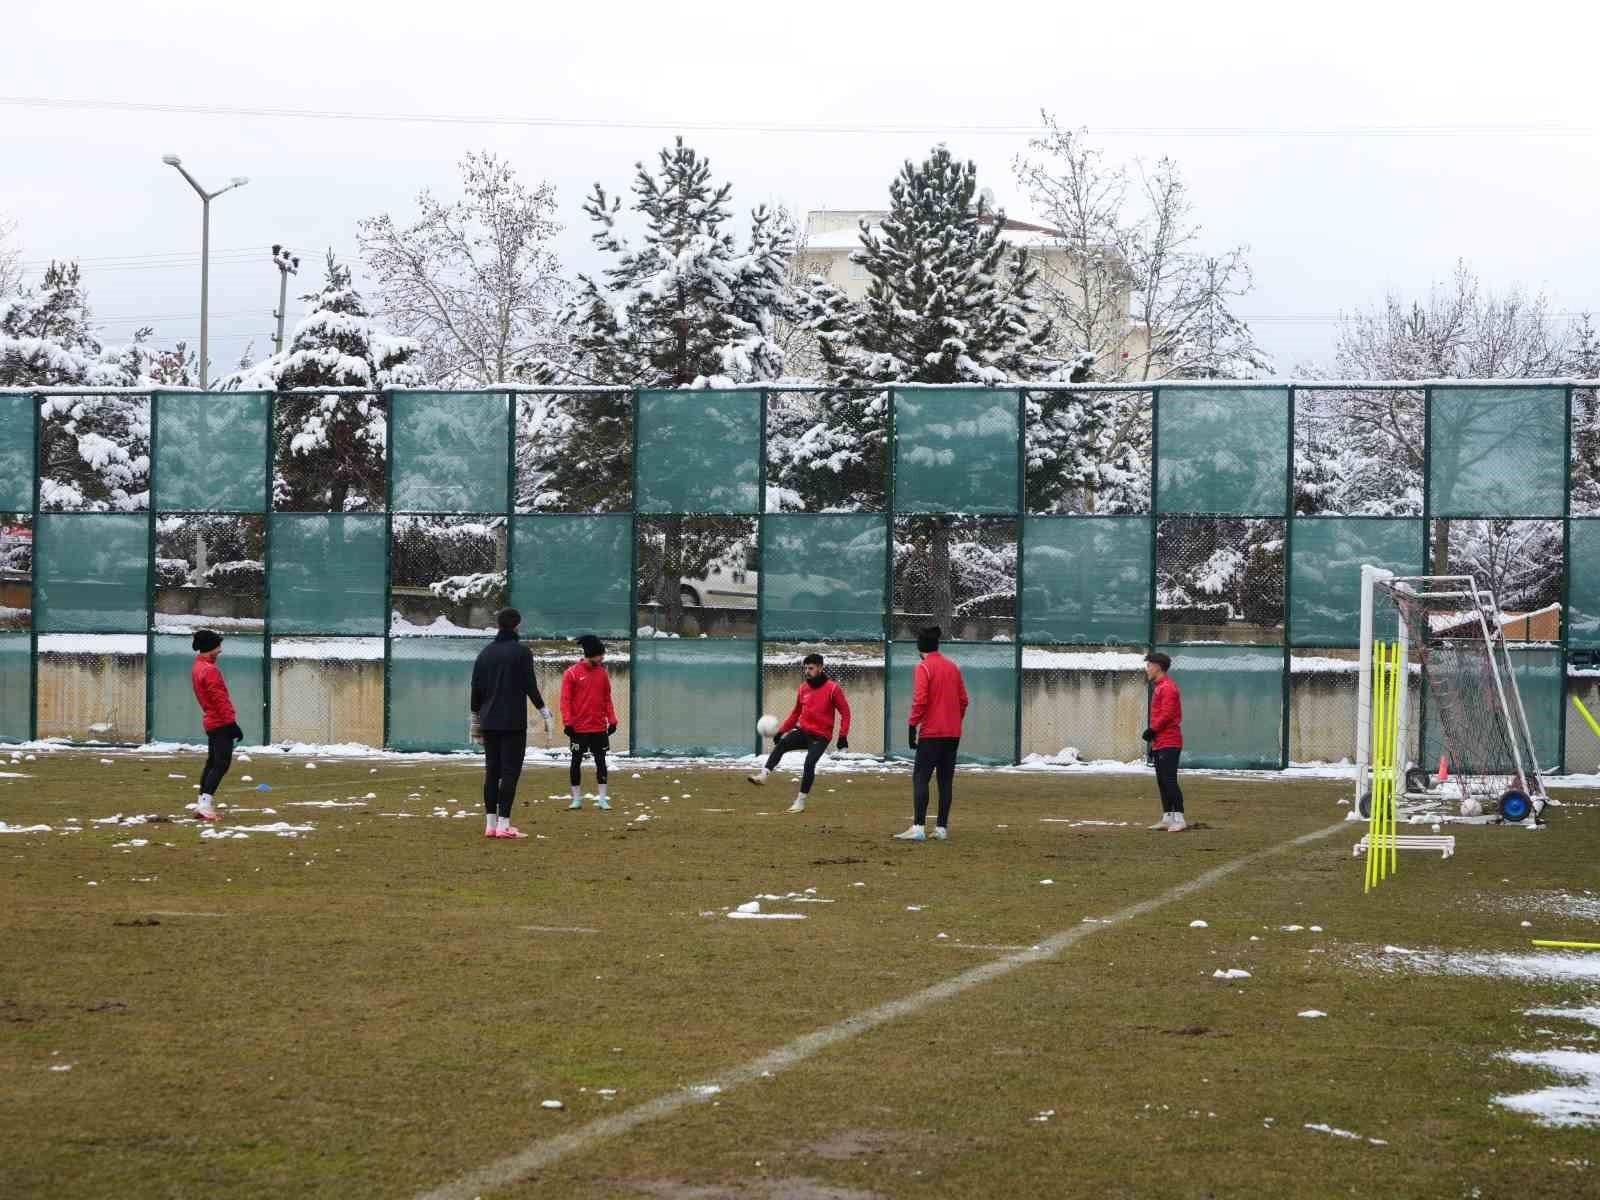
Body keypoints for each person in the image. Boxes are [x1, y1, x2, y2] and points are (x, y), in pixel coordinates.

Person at [470, 608, 554, 840]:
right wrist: (544, 710)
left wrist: (475, 718)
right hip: (512, 722)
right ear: (517, 625)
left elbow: (475, 688)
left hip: (488, 720)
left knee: (491, 771)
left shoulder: (485, 653)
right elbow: (529, 684)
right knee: (510, 772)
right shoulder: (521, 653)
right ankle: (504, 824)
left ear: (499, 625)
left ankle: (490, 825)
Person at [747, 652, 852, 813]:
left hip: (821, 736)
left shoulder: (832, 689)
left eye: (811, 668)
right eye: (805, 668)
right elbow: (795, 713)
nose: (807, 671)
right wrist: (781, 731)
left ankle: (800, 801)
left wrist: (843, 735)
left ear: (821, 668)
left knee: (809, 764)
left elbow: (845, 712)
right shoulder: (803, 688)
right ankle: (763, 775)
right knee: (782, 744)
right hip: (803, 731)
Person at [897, 626, 967, 842]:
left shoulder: (923, 667)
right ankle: (941, 828)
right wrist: (954, 721)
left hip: (931, 734)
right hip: (952, 734)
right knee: (945, 781)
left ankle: (918, 827)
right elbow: (964, 700)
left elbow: (920, 700)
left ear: (919, 647)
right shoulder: (953, 667)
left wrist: (912, 725)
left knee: (921, 778)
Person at [190, 628, 243, 822]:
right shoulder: (210, 670)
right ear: (209, 647)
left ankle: (202, 803)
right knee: (221, 763)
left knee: (212, 763)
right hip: (219, 722)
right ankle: (204, 805)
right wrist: (231, 724)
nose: (220, 650)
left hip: (212, 721)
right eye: (217, 646)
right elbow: (220, 699)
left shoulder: (198, 667)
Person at [561, 634, 618, 811]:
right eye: (600, 655)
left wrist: (613, 720)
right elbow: (565, 700)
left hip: (599, 727)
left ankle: (602, 799)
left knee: (601, 761)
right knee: (575, 761)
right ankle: (576, 799)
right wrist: (568, 723)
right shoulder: (571, 673)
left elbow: (607, 698)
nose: (603, 658)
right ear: (590, 654)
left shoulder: (603, 673)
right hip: (579, 729)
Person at [1142, 651, 1186, 832]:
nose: (1147, 669)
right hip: (1161, 740)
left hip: (1170, 741)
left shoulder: (1167, 687)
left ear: (1158, 666)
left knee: (1169, 780)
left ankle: (1180, 819)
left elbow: (1168, 714)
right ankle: (1167, 817)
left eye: (1149, 665)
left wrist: (1152, 730)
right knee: (1162, 780)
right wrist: (1154, 738)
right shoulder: (1160, 686)